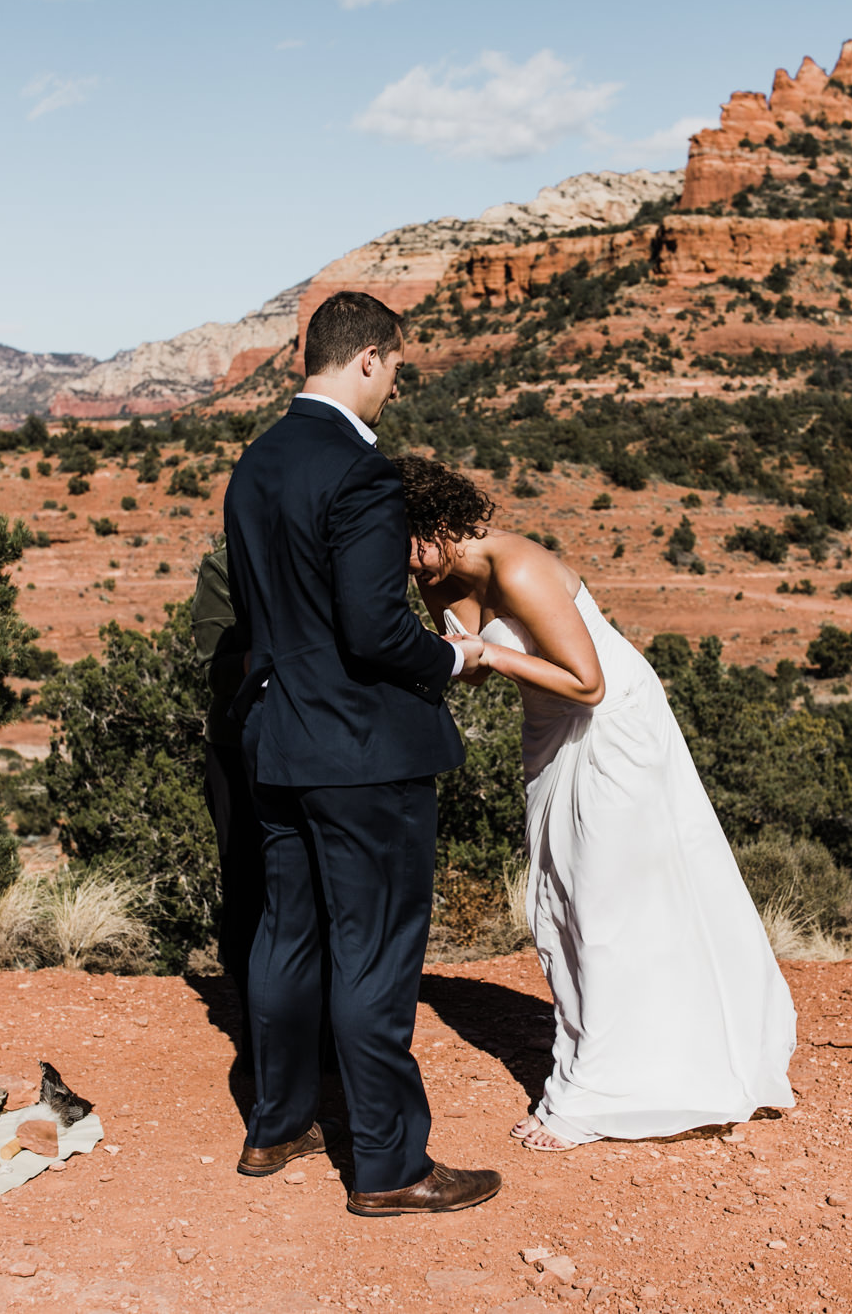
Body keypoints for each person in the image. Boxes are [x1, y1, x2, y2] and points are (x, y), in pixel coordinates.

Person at [398, 455, 797, 1152]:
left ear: (436, 521)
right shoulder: (436, 576)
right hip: (549, 734)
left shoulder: (517, 567)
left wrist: (489, 658)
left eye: (407, 542)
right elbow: (462, 660)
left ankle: (589, 1094)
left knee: (604, 902)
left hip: (611, 726)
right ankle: (623, 1058)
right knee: (560, 902)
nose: (406, 562)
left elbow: (590, 683)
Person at [221, 291, 502, 1216]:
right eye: (395, 370)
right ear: (371, 359)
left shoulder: (255, 464)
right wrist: (454, 660)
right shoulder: (364, 472)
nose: (393, 389)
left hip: (275, 739)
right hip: (362, 753)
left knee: (284, 935)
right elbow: (378, 630)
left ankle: (276, 1123)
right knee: (375, 953)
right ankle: (389, 1165)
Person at [190, 540, 265, 1072]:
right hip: (238, 746)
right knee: (246, 881)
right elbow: (217, 669)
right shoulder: (224, 566)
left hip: (323, 744)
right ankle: (259, 1028)